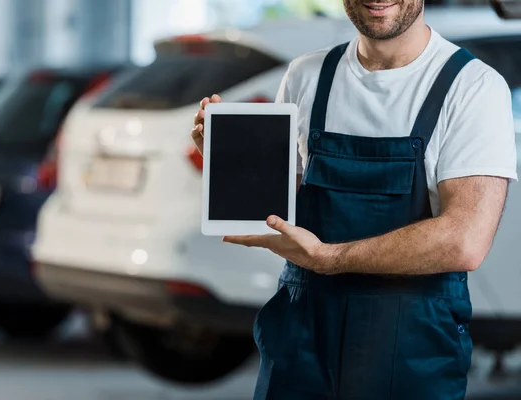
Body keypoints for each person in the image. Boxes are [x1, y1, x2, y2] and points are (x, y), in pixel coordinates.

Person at [190, 0, 517, 398]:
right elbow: (277, 207)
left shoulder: (473, 87)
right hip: (300, 336)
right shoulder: (305, 76)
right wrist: (233, 161)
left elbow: (464, 240)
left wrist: (329, 258)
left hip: (410, 346)